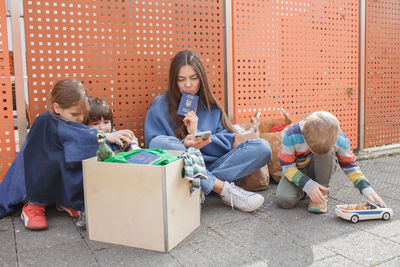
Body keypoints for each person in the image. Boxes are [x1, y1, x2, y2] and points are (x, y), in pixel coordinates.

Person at [145, 49, 272, 212]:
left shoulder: (211, 106)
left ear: (201, 78)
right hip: (181, 170)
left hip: (214, 166)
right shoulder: (160, 106)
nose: (188, 84)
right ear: (174, 81)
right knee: (158, 143)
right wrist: (186, 145)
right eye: (181, 79)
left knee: (262, 147)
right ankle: (224, 190)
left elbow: (226, 141)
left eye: (193, 78)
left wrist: (197, 134)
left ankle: (201, 185)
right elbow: (155, 148)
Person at [0, 79, 134, 230]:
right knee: (50, 160)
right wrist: (102, 136)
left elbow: (84, 133)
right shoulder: (44, 122)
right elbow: (78, 134)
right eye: (75, 114)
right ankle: (34, 205)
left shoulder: (73, 119)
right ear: (57, 108)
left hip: (60, 174)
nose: (80, 119)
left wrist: (116, 138)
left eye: (83, 114)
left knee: (80, 156)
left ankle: (66, 201)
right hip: (36, 179)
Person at [277, 111, 386, 213]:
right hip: (297, 170)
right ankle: (308, 191)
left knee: (326, 153)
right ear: (305, 138)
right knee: (285, 200)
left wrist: (366, 188)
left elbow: (350, 165)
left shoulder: (340, 138)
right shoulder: (291, 135)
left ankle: (322, 192)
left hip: (322, 167)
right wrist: (307, 184)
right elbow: (287, 167)